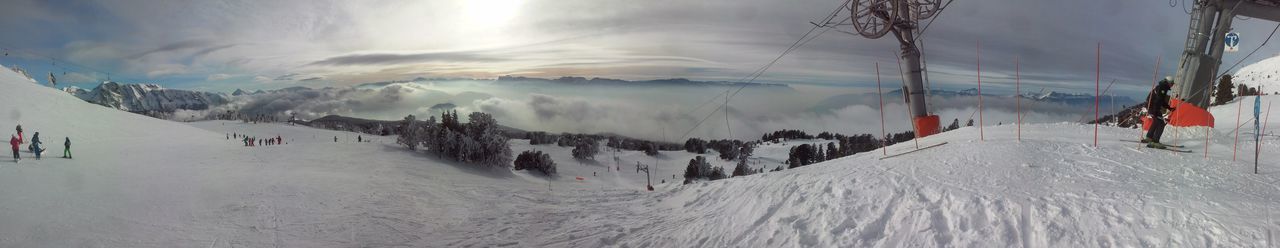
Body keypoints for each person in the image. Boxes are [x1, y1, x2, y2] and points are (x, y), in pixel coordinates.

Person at [1144, 79, 1176, 148]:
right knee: (1161, 123)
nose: (1172, 85)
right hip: (1153, 108)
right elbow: (1158, 100)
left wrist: (1169, 108)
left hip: (1150, 106)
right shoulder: (1163, 88)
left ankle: (1149, 137)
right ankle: (1155, 142)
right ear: (1168, 82)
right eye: (1172, 83)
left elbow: (1161, 100)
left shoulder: (1160, 87)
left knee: (1156, 122)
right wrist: (1155, 111)